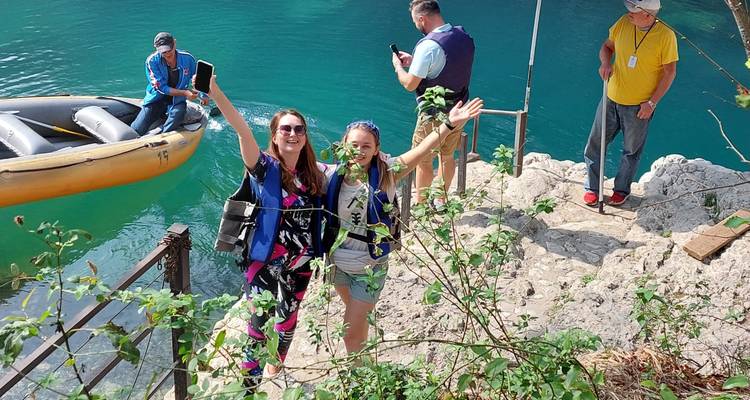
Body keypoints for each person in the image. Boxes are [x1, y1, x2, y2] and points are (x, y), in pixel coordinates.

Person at [322, 97, 483, 355]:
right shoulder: (329, 176)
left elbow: (422, 150)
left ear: (376, 149)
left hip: (369, 268)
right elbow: (295, 167)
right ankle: (365, 364)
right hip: (338, 265)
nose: (360, 151)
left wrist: (449, 125)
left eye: (367, 145)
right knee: (357, 323)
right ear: (343, 146)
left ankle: (358, 376)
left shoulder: (388, 172)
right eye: (354, 145)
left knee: (349, 331)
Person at [205, 75, 325, 391]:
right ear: (274, 134)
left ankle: (277, 362)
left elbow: (352, 172)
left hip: (301, 265)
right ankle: (249, 388)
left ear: (305, 137)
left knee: (287, 320)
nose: (293, 133)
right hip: (264, 263)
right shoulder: (264, 169)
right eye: (285, 128)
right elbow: (242, 129)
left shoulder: (314, 174)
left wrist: (376, 158)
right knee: (258, 326)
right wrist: (216, 92)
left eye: (299, 129)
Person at [583, 0, 678, 206]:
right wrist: (605, 63)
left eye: (633, 11)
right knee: (595, 144)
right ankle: (592, 188)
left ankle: (621, 190)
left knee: (631, 151)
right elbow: (607, 47)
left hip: (639, 107)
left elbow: (669, 72)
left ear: (648, 14)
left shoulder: (666, 36)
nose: (628, 14)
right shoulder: (623, 24)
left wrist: (652, 103)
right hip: (610, 97)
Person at [392, 0, 475, 207]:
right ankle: (440, 201)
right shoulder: (461, 35)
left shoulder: (428, 46)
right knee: (447, 155)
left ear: (422, 18)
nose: (416, 25)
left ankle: (420, 206)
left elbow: (410, 84)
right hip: (459, 109)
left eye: (415, 21)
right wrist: (415, 61)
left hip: (433, 113)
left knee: (423, 158)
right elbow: (449, 65)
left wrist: (398, 68)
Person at [131, 32, 208, 135]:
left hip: (177, 101)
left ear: (175, 43)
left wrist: (203, 96)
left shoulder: (188, 58)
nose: (167, 54)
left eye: (169, 50)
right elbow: (161, 88)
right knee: (137, 128)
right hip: (156, 99)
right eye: (163, 52)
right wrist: (185, 93)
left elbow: (197, 78)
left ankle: (162, 137)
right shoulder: (152, 61)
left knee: (177, 113)